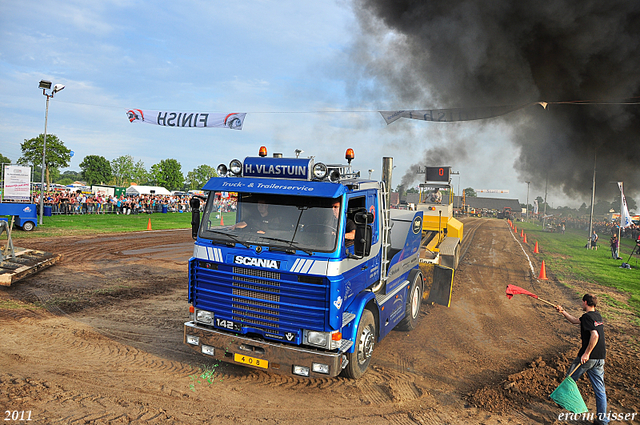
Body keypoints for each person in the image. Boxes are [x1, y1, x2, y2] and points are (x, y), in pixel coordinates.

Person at [556, 295, 609, 425]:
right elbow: (574, 320)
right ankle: (602, 421)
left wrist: (586, 353)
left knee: (570, 378)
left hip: (588, 358)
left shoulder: (587, 317)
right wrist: (562, 311)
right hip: (600, 358)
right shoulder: (597, 316)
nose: (581, 304)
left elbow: (595, 335)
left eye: (582, 302)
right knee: (600, 390)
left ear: (585, 302)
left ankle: (562, 401)